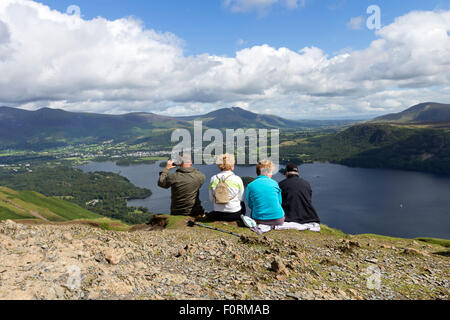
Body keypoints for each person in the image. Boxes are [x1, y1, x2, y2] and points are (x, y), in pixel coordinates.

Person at [246, 160, 285, 226]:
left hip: (259, 220)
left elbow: (250, 205)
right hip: (278, 220)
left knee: (254, 211)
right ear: (268, 172)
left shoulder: (250, 185)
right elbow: (279, 202)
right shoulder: (275, 184)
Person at [207, 154, 245, 222]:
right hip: (234, 215)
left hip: (217, 214)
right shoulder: (237, 179)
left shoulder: (213, 178)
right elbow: (240, 198)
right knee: (243, 204)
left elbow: (211, 199)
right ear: (231, 166)